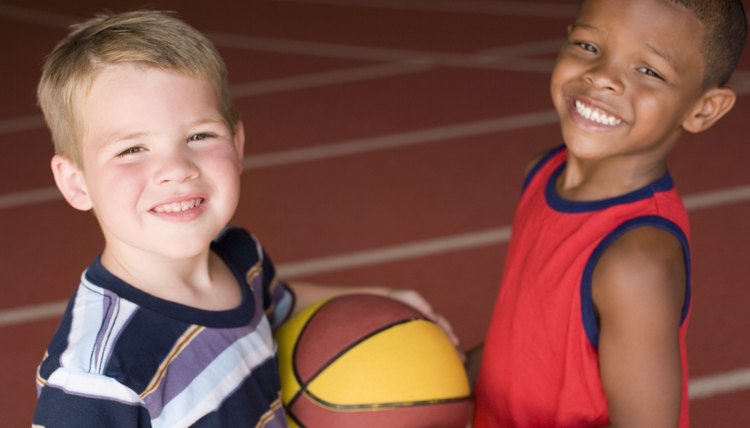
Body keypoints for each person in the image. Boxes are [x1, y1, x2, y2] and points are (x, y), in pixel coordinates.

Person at [32, 10, 451, 427]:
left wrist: (388, 299)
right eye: (131, 150)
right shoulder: (96, 376)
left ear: (238, 145)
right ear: (76, 183)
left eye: (199, 136)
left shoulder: (240, 256)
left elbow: (280, 299)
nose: (176, 168)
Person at [471, 0, 747, 427]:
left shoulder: (637, 262)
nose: (601, 77)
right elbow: (529, 338)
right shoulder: (542, 173)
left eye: (650, 71)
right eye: (587, 45)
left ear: (702, 109)